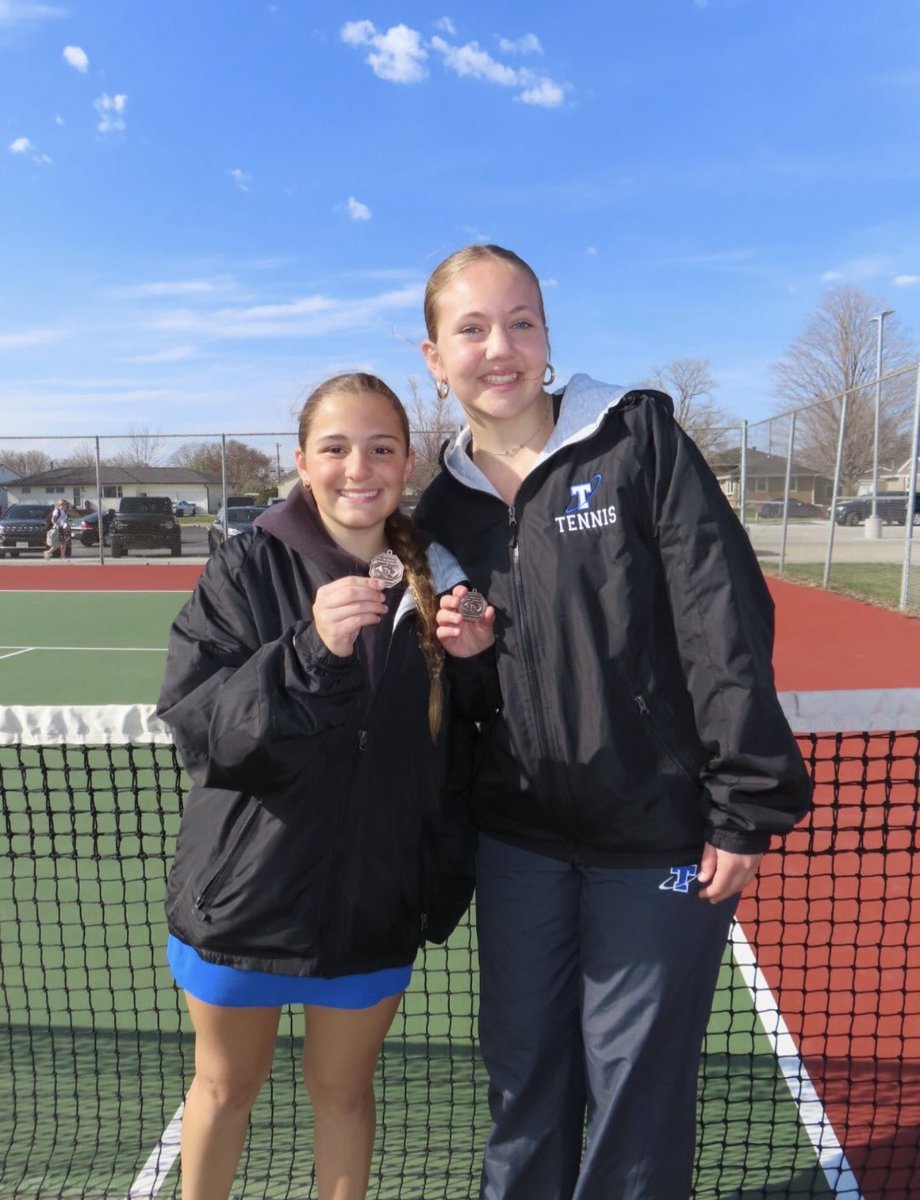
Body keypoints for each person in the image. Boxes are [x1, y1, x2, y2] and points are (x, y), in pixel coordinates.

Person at [416, 244, 814, 1200]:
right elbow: (462, 706)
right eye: (471, 329)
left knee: (634, 1099)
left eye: (521, 322)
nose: (499, 348)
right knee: (523, 1083)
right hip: (519, 844)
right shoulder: (437, 511)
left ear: (548, 337)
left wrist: (744, 803)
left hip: (657, 838)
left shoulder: (635, 440)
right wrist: (462, 660)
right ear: (434, 358)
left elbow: (725, 616)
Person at [157, 372, 495, 1200]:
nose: (359, 467)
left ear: (408, 462)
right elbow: (204, 731)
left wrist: (479, 663)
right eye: (336, 448)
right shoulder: (244, 568)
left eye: (381, 448)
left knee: (344, 1094)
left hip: (371, 907)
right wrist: (309, 648)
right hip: (245, 905)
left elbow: (462, 744)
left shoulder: (436, 579)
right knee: (224, 1091)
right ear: (303, 461)